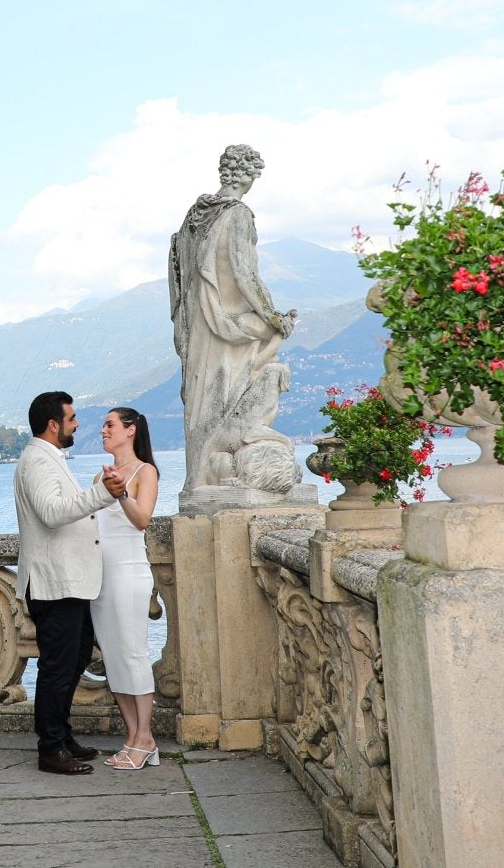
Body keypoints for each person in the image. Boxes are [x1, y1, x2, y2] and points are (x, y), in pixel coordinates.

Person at [168, 143, 301, 501]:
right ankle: (215, 471)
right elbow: (244, 274)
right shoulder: (237, 214)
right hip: (225, 328)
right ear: (249, 176)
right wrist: (274, 316)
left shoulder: (192, 218)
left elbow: (177, 278)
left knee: (201, 404)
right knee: (232, 387)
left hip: (196, 326)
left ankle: (198, 480)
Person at [13, 389, 124, 775]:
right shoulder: (38, 462)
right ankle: (50, 748)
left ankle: (61, 736)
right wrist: (100, 495)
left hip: (68, 581)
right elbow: (51, 513)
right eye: (72, 418)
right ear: (53, 424)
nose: (77, 423)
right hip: (54, 582)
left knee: (73, 659)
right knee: (58, 666)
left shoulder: (47, 458)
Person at [90, 407, 161, 769]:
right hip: (101, 578)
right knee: (114, 658)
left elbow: (142, 520)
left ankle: (145, 737)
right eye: (104, 425)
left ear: (131, 430)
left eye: (110, 424)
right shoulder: (97, 476)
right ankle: (132, 736)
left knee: (133, 652)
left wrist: (120, 494)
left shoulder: (144, 472)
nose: (103, 430)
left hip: (130, 573)